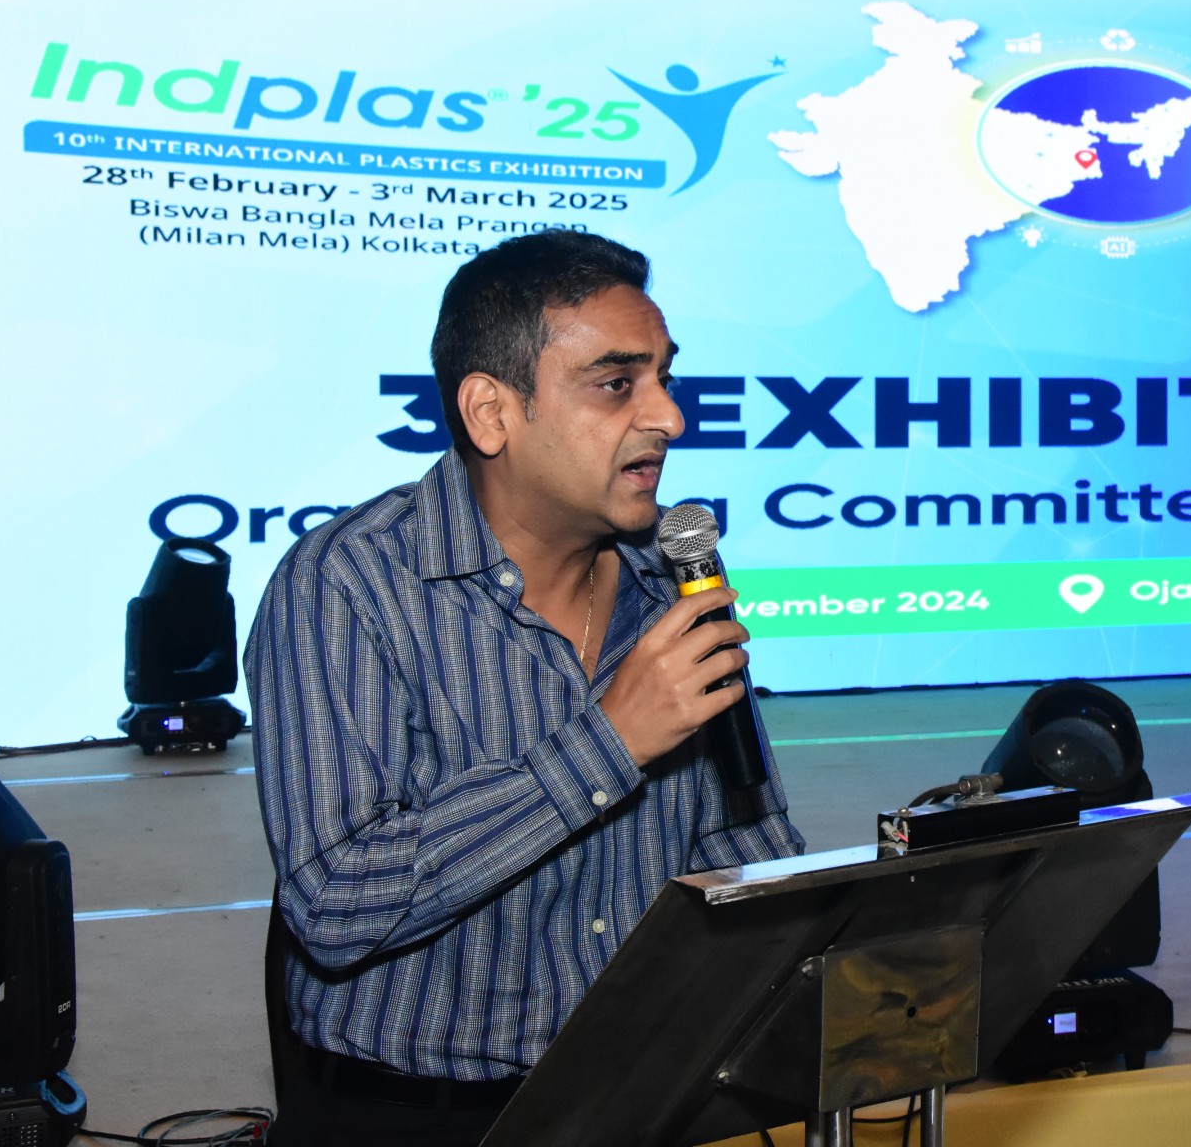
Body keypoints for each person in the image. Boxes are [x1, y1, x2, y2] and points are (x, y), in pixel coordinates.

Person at [246, 230, 803, 1147]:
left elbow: (743, 834)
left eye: (665, 377)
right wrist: (609, 743)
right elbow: (337, 904)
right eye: (617, 383)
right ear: (491, 413)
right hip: (416, 1117)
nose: (669, 417)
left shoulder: (675, 575)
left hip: (649, 1090)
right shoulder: (347, 584)